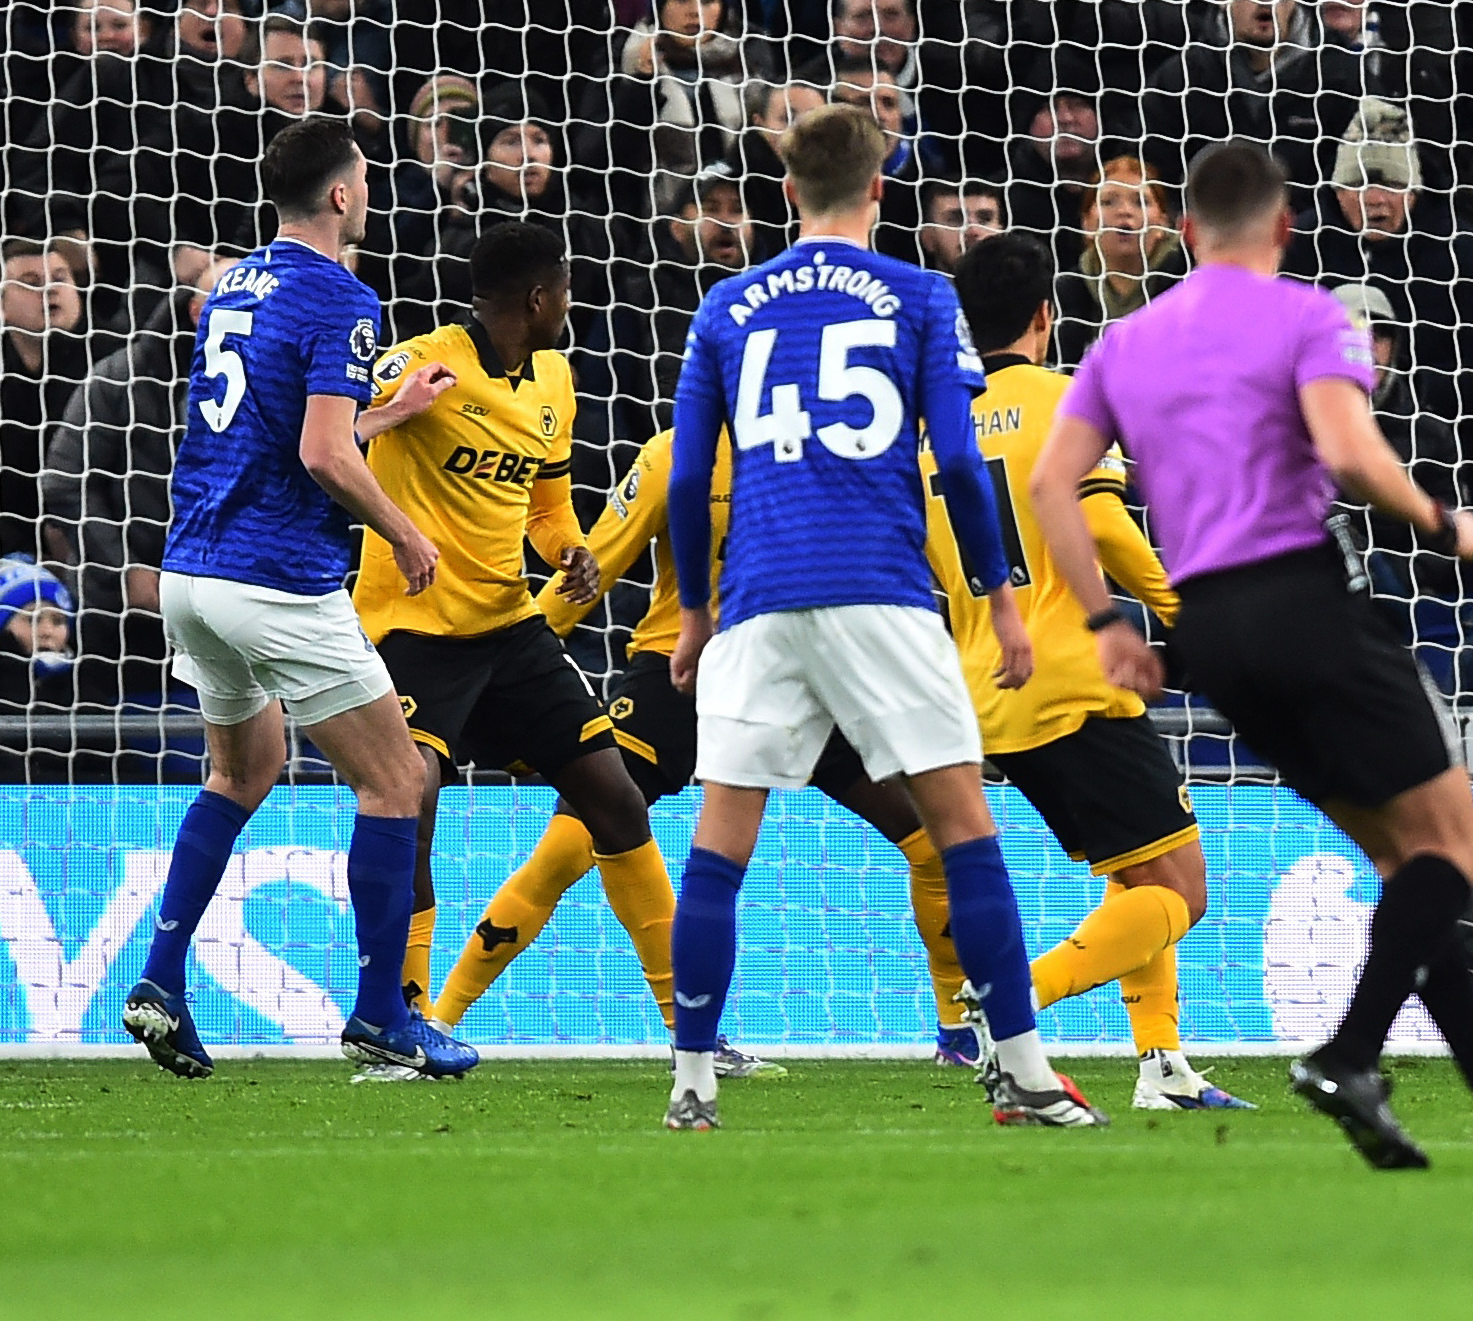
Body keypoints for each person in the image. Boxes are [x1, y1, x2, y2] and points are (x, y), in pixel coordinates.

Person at [1019, 137, 1473, 1166]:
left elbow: (1049, 488)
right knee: (1456, 856)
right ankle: (1347, 1052)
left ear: (1185, 229)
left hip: (1209, 634)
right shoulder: (1308, 314)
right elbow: (1346, 449)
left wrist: (1110, 619)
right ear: (1287, 225)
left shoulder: (1126, 340)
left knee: (1402, 865)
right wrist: (1449, 522)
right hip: (1303, 598)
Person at [660, 100, 1090, 1131]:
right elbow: (960, 462)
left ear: (785, 192)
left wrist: (691, 614)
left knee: (720, 848)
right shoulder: (923, 295)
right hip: (882, 590)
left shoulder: (727, 305)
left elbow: (686, 481)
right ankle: (1025, 1074)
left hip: (759, 597)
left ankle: (689, 1083)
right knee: (963, 832)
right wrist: (1004, 602)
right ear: (883, 189)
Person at [424, 406, 973, 1073]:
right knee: (571, 844)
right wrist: (508, 665)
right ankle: (436, 1022)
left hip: (804, 671)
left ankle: (959, 1031)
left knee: (928, 839)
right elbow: (593, 565)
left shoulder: (831, 447)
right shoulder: (670, 455)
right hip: (679, 673)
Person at [119, 121, 474, 1081]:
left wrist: (388, 417)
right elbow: (320, 455)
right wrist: (404, 532)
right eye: (366, 179)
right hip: (276, 576)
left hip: (190, 574)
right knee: (399, 784)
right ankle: (378, 1016)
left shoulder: (229, 284)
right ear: (344, 196)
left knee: (244, 771)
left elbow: (284, 424)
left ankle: (158, 979)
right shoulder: (344, 298)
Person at [905, 232, 1251, 1111]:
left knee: (1140, 874)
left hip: (986, 684)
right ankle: (1011, 1000)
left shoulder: (924, 431)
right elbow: (1098, 526)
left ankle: (1161, 1065)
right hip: (1076, 677)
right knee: (1184, 891)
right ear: (1045, 318)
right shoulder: (1069, 403)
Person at [344, 220, 676, 1046]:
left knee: (616, 799)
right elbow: (325, 430)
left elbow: (547, 508)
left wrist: (572, 555)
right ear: (537, 298)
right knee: (409, 800)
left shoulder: (555, 378)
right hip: (413, 628)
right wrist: (397, 409)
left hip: (509, 628)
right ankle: (400, 1019)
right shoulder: (420, 361)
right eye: (563, 292)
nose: (569, 306)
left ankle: (691, 1027)